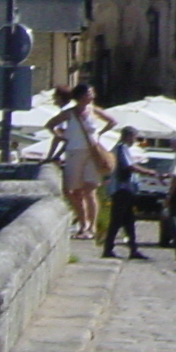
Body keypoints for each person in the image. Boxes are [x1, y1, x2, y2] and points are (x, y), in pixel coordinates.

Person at [45, 84, 115, 240]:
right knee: (75, 191)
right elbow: (50, 124)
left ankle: (92, 226)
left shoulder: (94, 110)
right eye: (89, 92)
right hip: (74, 152)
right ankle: (83, 223)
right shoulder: (69, 113)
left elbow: (112, 121)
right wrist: (61, 136)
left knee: (90, 190)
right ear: (81, 95)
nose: (92, 95)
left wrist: (99, 135)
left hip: (92, 152)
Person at [101, 127, 149, 259]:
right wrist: (150, 172)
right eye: (134, 137)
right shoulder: (122, 148)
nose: (135, 140)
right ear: (128, 136)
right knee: (117, 220)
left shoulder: (122, 148)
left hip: (126, 189)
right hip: (122, 189)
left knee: (129, 221)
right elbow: (129, 166)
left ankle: (133, 249)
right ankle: (108, 249)